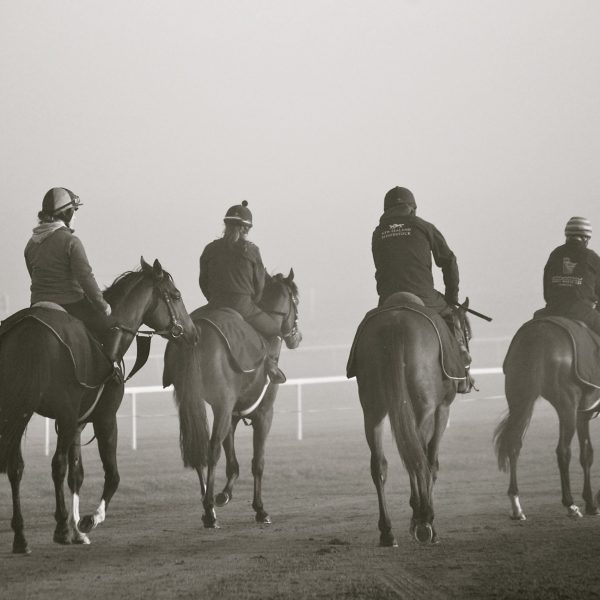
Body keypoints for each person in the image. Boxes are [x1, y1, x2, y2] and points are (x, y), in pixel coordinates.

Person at [371, 186, 473, 392]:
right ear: (412, 208)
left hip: (388, 299)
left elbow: (380, 270)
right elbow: (449, 261)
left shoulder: (377, 233)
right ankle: (460, 371)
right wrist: (452, 298)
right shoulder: (423, 226)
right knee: (451, 317)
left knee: (370, 326)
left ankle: (362, 369)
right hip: (424, 296)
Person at [199, 200, 287, 384]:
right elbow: (259, 285)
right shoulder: (252, 251)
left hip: (214, 304)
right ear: (246, 229)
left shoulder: (209, 249)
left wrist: (214, 299)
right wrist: (252, 301)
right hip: (243, 306)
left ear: (226, 225)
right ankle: (271, 367)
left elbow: (203, 282)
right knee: (275, 332)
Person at [24, 187, 114, 348]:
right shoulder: (71, 241)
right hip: (71, 304)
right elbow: (85, 277)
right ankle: (108, 372)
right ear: (66, 214)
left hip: (37, 304)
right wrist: (103, 305)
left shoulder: (31, 245)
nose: (75, 215)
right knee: (107, 329)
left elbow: (34, 275)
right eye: (74, 210)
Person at [541, 216, 600, 335]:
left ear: (567, 236)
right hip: (583, 313)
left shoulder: (555, 254)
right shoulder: (592, 257)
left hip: (552, 310)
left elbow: (547, 291)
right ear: (585, 238)